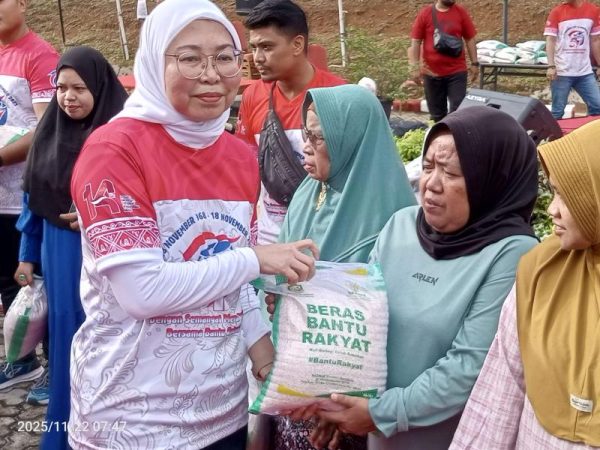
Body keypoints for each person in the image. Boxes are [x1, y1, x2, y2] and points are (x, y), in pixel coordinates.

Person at [68, 1, 317, 449]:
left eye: (224, 57)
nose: (211, 74)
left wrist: (266, 360)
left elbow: (237, 283)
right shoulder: (116, 150)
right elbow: (143, 292)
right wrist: (255, 259)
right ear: (153, 60)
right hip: (134, 418)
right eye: (189, 58)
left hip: (223, 413)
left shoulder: (240, 158)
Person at [304, 106, 540, 450]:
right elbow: (362, 319)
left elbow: (468, 365)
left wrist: (382, 413)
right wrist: (341, 400)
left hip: (445, 436)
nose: (432, 184)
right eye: (428, 167)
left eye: (452, 172)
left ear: (492, 179)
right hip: (378, 431)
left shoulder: (513, 253)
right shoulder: (401, 225)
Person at [267, 84, 416, 450]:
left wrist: (333, 403)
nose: (306, 146)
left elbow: (386, 325)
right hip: (293, 385)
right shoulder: (308, 192)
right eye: (305, 133)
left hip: (348, 405)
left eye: (318, 137)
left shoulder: (393, 218)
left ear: (351, 141)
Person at [450, 119, 600, 449]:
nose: (552, 209)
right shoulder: (543, 268)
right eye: (554, 192)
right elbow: (500, 393)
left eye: (568, 195)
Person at [13, 46, 128, 449]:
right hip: (61, 256)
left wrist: (102, 210)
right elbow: (33, 198)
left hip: (110, 259)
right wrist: (27, 255)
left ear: (100, 87)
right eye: (61, 88)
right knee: (67, 341)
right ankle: (64, 432)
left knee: (109, 344)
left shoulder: (122, 136)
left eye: (79, 88)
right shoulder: (50, 134)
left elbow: (145, 194)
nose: (68, 97)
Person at [236, 0, 345, 245]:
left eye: (267, 47)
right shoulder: (253, 96)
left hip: (324, 236)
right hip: (270, 239)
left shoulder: (338, 94)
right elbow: (247, 167)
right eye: (254, 48)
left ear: (297, 44)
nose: (257, 58)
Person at [0, 0, 59, 391]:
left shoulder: (39, 56)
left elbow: (46, 127)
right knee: (8, 283)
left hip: (25, 195)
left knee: (40, 284)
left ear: (22, 3)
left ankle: (57, 367)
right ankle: (21, 360)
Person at [408, 0, 478, 122]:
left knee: (458, 111)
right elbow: (416, 41)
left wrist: (474, 63)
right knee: (437, 115)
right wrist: (414, 67)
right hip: (431, 73)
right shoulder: (425, 13)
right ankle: (439, 133)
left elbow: (470, 38)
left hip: (456, 72)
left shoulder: (460, 12)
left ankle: (455, 133)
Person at [545, 0, 600, 119]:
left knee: (598, 106)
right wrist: (551, 66)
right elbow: (550, 40)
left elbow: (595, 40)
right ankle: (555, 132)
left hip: (585, 72)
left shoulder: (593, 11)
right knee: (557, 112)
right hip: (562, 72)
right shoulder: (557, 12)